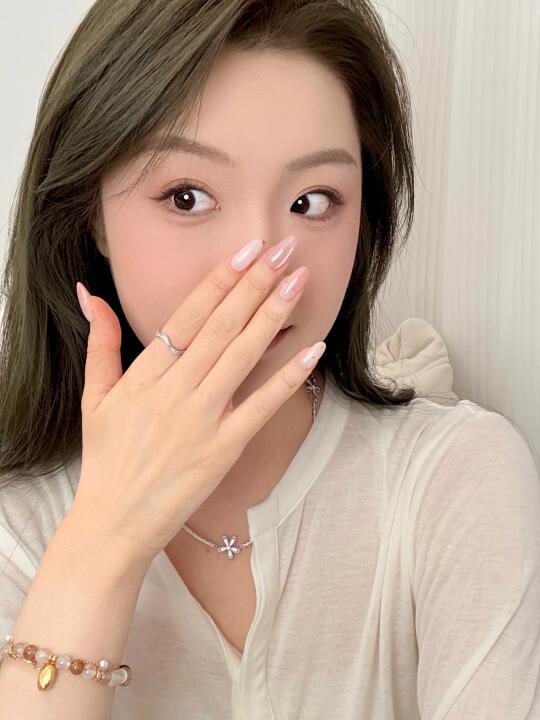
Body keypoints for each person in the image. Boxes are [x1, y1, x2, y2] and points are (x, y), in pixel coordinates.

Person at [0, 0, 538, 717]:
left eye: (312, 201)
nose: (260, 263)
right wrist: (106, 538)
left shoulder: (452, 477)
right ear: (90, 212)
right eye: (187, 196)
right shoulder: (18, 520)